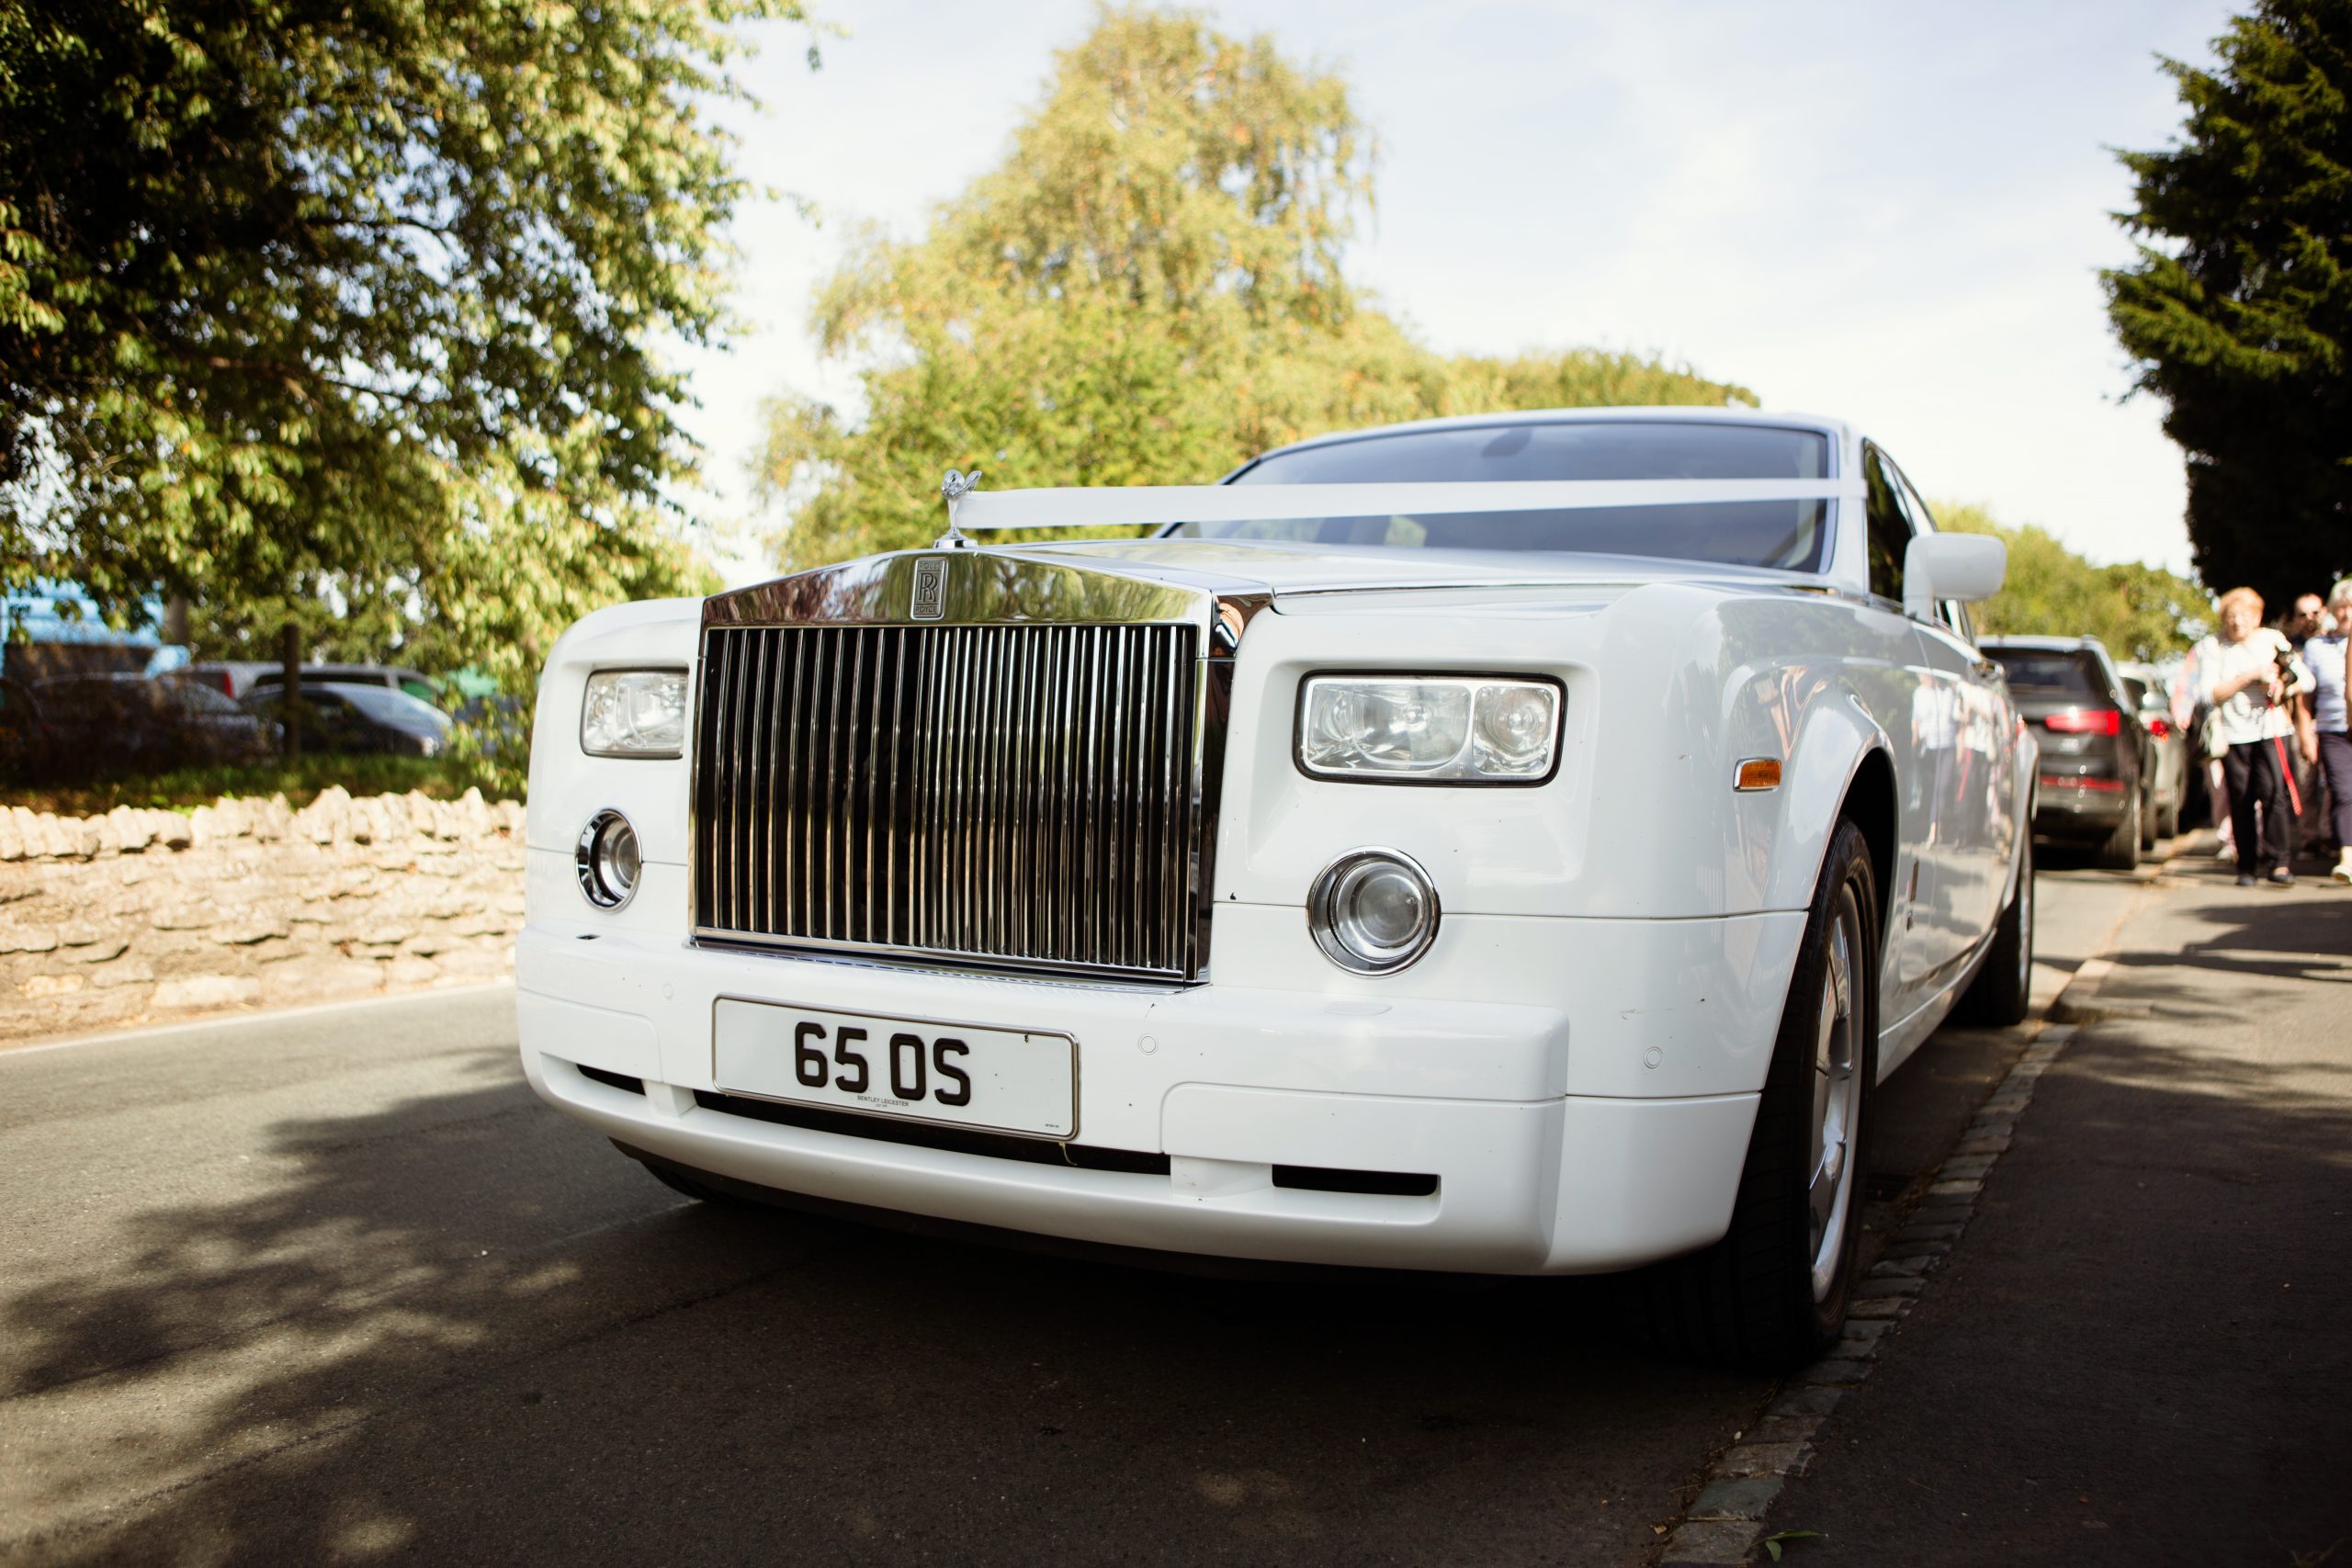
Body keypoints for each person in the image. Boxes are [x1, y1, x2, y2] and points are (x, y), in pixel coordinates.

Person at [2191, 587, 2312, 886]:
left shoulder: (2272, 640)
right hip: (2234, 733)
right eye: (2231, 616)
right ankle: (2246, 866)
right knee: (2241, 797)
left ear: (2256, 617)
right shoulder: (2213, 646)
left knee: (2274, 793)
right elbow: (2208, 694)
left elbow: (2306, 680)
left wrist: (2282, 686)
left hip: (2272, 728)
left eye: (2244, 615)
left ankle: (2279, 862)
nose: (2237, 622)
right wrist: (2249, 677)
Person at [2309, 581, 2352, 884]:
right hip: (2333, 729)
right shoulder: (2317, 646)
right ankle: (2348, 858)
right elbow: (2305, 699)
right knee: (2345, 792)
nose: (2347, 613)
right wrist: (2305, 733)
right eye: (2342, 607)